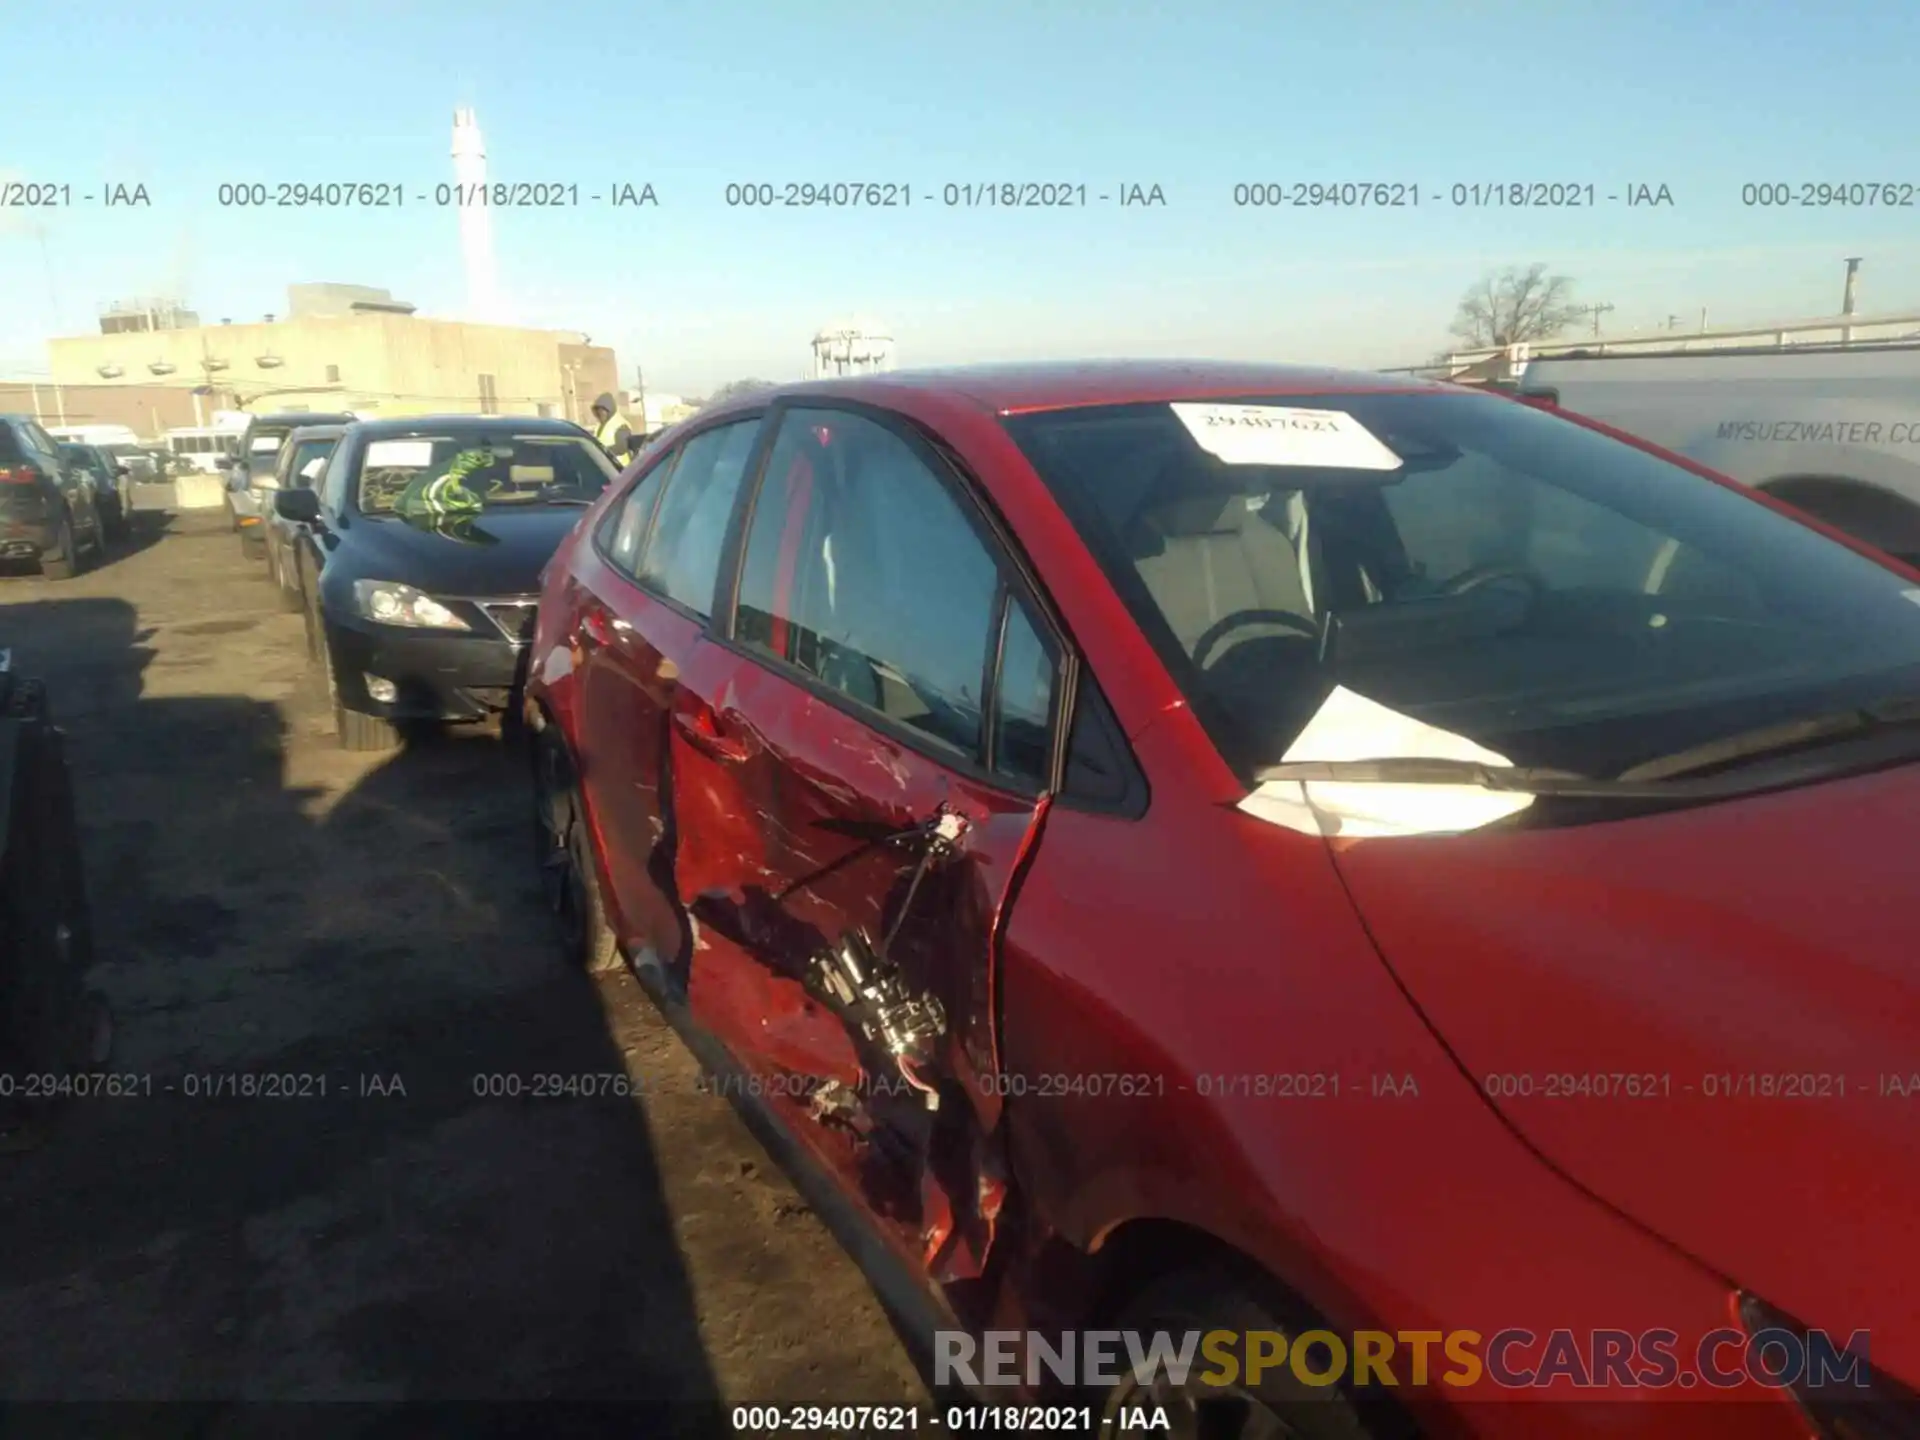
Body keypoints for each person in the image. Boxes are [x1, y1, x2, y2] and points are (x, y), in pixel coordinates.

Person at [589, 394, 635, 464]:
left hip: (619, 468)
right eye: (598, 411)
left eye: (602, 410)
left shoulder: (621, 424)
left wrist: (602, 451)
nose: (600, 413)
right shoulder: (599, 425)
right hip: (606, 466)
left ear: (609, 410)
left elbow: (621, 447)